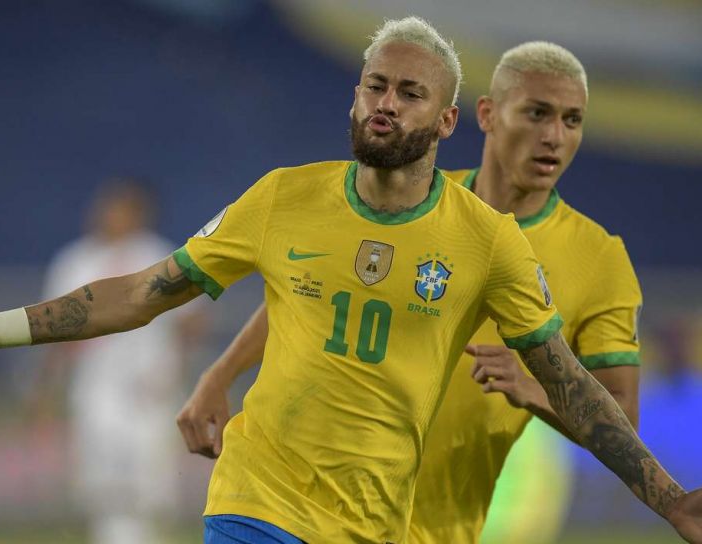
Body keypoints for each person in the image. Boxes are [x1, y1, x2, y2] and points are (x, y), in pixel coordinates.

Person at [0, 16, 702, 544]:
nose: (385, 104)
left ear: (448, 120)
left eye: (409, 93)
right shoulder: (282, 199)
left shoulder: (489, 243)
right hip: (258, 501)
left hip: (382, 522)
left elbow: (580, 389)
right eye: (374, 86)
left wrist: (669, 500)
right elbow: (142, 292)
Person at [176, 40, 630, 543]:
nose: (553, 136)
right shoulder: (410, 191)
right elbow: (312, 293)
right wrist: (221, 373)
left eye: (572, 120)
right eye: (537, 113)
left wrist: (532, 389)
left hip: (437, 526)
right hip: (313, 501)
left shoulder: (599, 257)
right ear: (485, 114)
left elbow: (621, 415)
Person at [36, 180, 202, 544]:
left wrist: (175, 369)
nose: (110, 215)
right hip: (96, 386)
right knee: (102, 480)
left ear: (140, 213)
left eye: (120, 208)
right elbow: (53, 333)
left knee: (151, 481)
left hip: (150, 385)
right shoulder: (75, 262)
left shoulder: (161, 257)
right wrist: (46, 389)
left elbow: (192, 320)